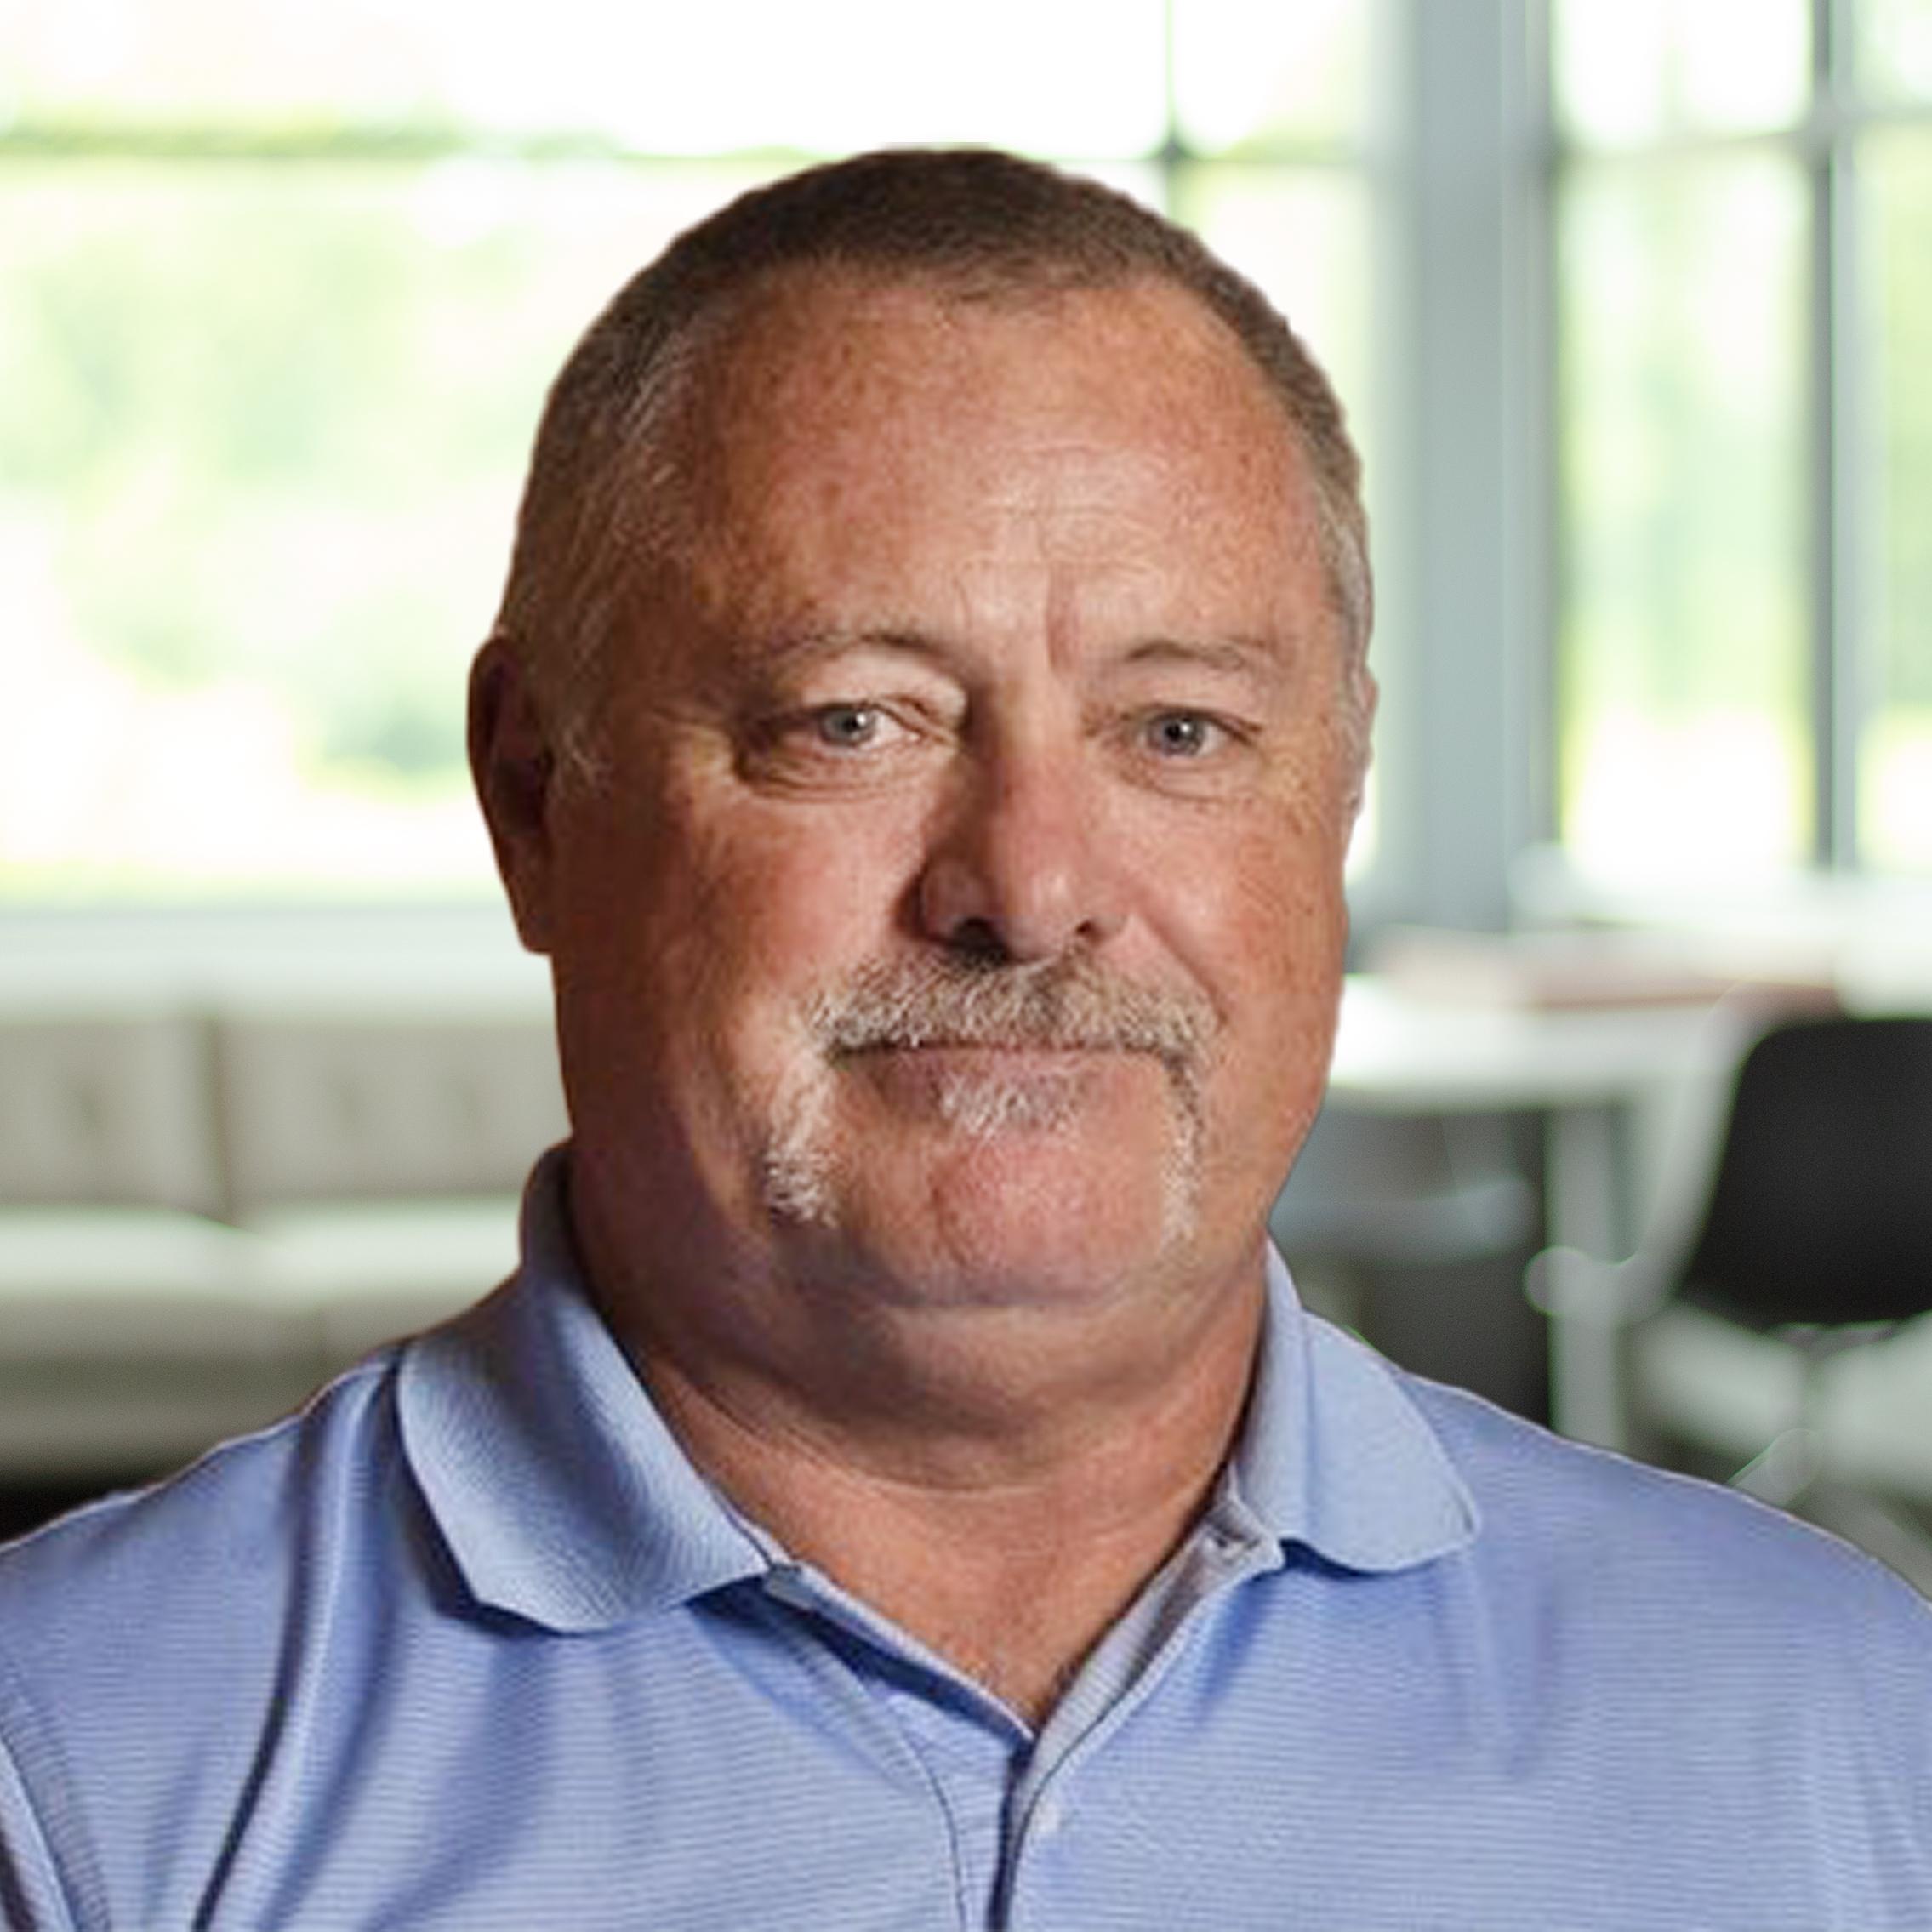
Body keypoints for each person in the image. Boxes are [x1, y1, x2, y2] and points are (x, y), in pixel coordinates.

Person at [1, 148, 1927, 1932]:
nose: (1026, 885)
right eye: (852, 718)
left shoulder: (1833, 1726)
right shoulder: (77, 1773)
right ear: (534, 794)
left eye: (1177, 730)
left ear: (1332, 794)